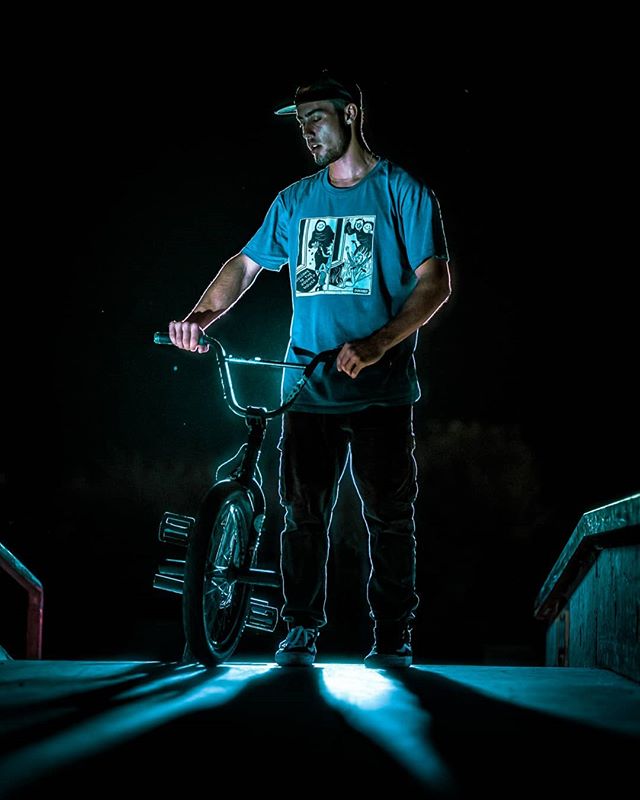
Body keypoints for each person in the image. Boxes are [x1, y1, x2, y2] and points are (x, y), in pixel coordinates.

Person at [168, 70, 451, 668]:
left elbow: (435, 284)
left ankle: (393, 636)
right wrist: (200, 316)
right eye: (300, 124)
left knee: (389, 518)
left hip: (380, 389)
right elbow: (245, 265)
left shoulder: (402, 191)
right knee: (301, 515)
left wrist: (379, 343)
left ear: (351, 114)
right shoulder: (295, 200)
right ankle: (300, 630)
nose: (307, 132)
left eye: (316, 118)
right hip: (306, 388)